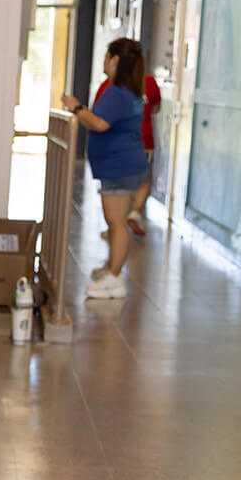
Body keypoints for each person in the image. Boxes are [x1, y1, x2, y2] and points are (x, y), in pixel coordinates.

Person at [63, 37, 151, 300]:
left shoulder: (117, 93)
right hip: (123, 164)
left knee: (117, 223)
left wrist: (76, 107)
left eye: (106, 56)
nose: (103, 61)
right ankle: (113, 268)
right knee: (115, 223)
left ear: (115, 60)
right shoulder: (129, 92)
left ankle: (114, 277)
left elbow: (100, 124)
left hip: (120, 166)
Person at [93, 39, 160, 237]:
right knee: (142, 179)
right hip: (143, 140)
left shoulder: (110, 87)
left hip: (117, 147)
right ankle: (135, 211)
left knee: (117, 188)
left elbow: (99, 116)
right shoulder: (148, 84)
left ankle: (117, 226)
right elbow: (155, 107)